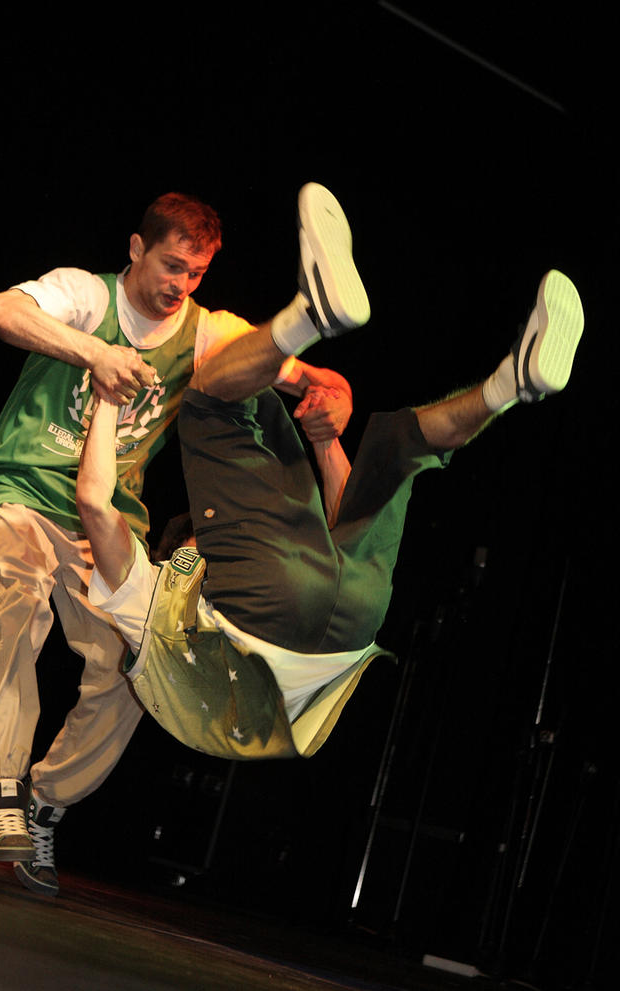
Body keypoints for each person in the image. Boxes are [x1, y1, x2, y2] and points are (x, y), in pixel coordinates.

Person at [77, 183, 584, 765]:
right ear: (181, 550)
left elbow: (347, 521)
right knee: (208, 401)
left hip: (352, 625)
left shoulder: (159, 609)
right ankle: (310, 314)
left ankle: (510, 386)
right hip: (265, 620)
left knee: (395, 448)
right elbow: (95, 502)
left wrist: (325, 441)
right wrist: (108, 397)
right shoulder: (154, 590)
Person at [0, 189, 355, 895]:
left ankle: (44, 802)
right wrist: (95, 352)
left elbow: (307, 379)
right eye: (172, 265)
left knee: (136, 667)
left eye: (196, 273)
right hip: (26, 490)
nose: (181, 284)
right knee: (18, 602)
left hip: (107, 520)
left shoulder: (203, 330)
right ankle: (3, 788)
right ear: (136, 249)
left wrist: (330, 395)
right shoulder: (87, 295)